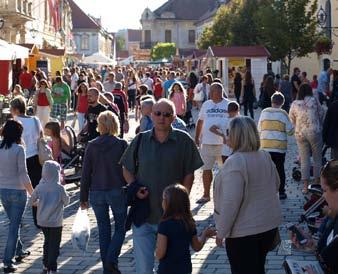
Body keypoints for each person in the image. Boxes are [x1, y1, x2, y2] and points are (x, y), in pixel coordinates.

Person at [120, 99, 203, 274]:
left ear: (174, 117)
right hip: (144, 215)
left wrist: (182, 199)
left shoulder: (183, 140)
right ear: (151, 115)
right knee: (143, 269)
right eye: (158, 113)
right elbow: (127, 169)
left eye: (166, 114)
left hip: (172, 218)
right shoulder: (141, 139)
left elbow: (189, 173)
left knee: (171, 268)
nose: (161, 118)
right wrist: (134, 186)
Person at [213, 116, 282, 274]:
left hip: (244, 233)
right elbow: (276, 184)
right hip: (267, 228)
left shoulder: (235, 161)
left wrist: (221, 232)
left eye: (229, 132)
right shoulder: (264, 155)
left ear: (237, 136)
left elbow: (231, 203)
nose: (227, 136)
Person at [80, 111, 128, 274]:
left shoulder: (92, 145)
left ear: (99, 125)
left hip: (96, 191)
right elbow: (129, 168)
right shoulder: (121, 144)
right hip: (116, 189)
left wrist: (83, 197)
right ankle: (111, 260)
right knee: (121, 228)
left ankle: (107, 264)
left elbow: (86, 173)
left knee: (103, 228)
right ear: (115, 124)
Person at [155, 184, 216, 274]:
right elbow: (197, 247)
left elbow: (160, 253)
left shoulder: (164, 225)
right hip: (185, 268)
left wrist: (156, 253)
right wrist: (204, 235)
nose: (162, 202)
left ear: (169, 203)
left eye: (164, 199)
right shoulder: (189, 222)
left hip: (167, 269)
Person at [0, 120, 34, 273]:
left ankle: (19, 251)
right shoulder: (19, 149)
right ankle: (7, 261)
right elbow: (23, 173)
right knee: (14, 226)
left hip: (3, 191)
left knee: (14, 223)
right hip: (18, 192)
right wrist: (33, 193)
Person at [31, 160, 69, 274]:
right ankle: (52, 267)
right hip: (56, 222)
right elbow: (66, 202)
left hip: (42, 221)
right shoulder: (59, 188)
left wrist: (40, 203)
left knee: (47, 242)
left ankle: (45, 264)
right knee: (55, 244)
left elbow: (31, 201)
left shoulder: (39, 187)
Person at [10, 96, 43, 229]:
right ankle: (38, 219)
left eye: (12, 109)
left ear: (16, 109)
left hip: (20, 158)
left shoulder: (14, 122)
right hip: (36, 158)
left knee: (18, 191)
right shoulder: (35, 120)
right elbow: (41, 137)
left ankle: (18, 219)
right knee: (35, 189)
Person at [195, 83, 229, 203]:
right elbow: (200, 121)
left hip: (223, 145)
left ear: (221, 92)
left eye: (217, 92)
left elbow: (235, 121)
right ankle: (206, 194)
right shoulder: (206, 104)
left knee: (224, 170)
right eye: (212, 92)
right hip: (207, 142)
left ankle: (225, 195)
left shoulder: (228, 104)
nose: (214, 94)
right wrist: (197, 137)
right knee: (206, 169)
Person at [258, 92, 294, 199]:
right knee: (280, 169)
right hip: (279, 147)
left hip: (265, 146)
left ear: (272, 101)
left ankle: (266, 191)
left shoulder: (264, 112)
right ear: (282, 103)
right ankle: (281, 191)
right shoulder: (283, 114)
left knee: (266, 169)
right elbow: (290, 131)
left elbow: (259, 129)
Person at [289, 83, 325, 193]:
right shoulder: (314, 100)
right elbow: (322, 113)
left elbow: (291, 117)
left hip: (300, 133)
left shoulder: (295, 103)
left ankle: (305, 187)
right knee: (317, 158)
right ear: (310, 91)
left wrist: (297, 125)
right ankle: (316, 183)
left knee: (304, 160)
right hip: (315, 132)